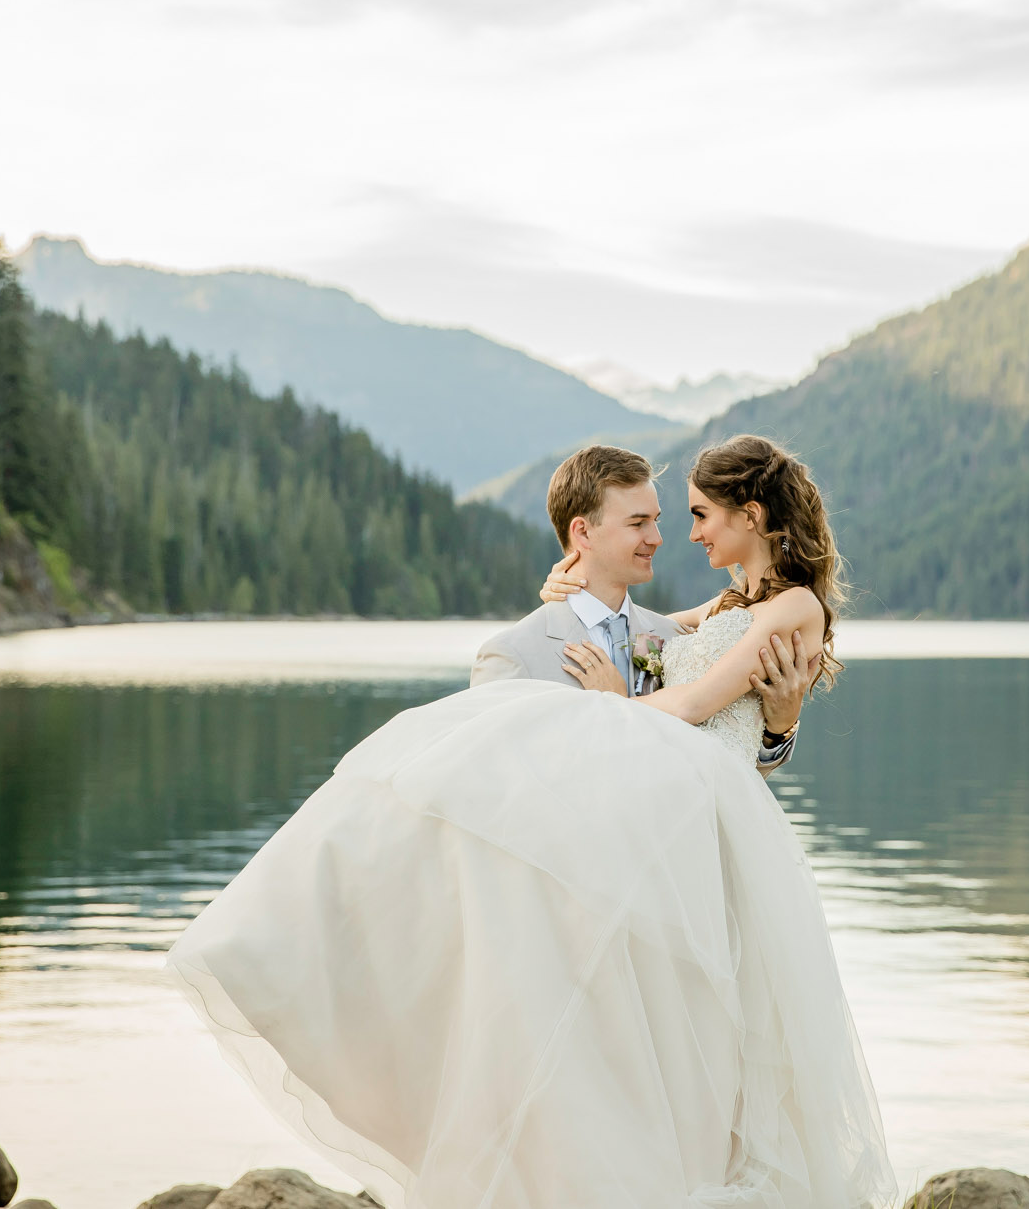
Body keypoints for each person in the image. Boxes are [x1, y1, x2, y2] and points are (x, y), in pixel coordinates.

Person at [166, 435, 896, 1209]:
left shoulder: (734, 615)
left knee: (708, 1068)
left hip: (684, 884)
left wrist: (774, 721)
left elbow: (715, 722)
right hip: (555, 927)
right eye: (642, 521)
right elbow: (486, 803)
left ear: (751, 514)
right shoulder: (533, 646)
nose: (673, 535)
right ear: (583, 534)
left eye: (685, 516)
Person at [471, 444, 810, 775]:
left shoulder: (669, 638)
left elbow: (721, 767)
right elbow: (485, 788)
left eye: (655, 520)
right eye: (638, 524)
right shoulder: (514, 655)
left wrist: (779, 732)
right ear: (583, 532)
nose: (657, 538)